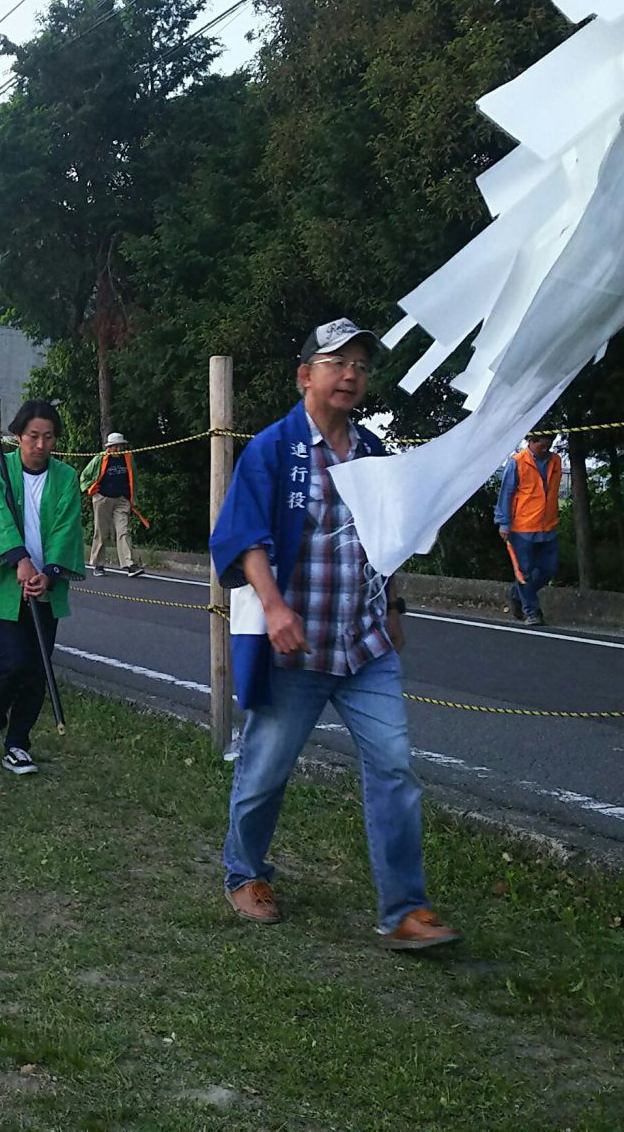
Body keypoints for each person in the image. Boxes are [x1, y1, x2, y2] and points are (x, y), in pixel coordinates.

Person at [207, 318, 458, 951]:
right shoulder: (273, 448)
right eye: (336, 362)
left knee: (395, 769)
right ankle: (245, 872)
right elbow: (243, 535)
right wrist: (274, 609)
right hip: (298, 645)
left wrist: (395, 603)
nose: (350, 374)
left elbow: (388, 538)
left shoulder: (373, 453)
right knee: (266, 769)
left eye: (361, 365)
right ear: (306, 375)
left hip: (365, 643)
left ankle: (404, 908)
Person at [0, 399, 84, 776]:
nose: (40, 445)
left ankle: (18, 743)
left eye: (48, 437)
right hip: (6, 581)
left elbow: (66, 529)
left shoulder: (65, 478)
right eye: (33, 436)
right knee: (13, 659)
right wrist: (20, 560)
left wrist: (47, 573)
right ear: (18, 436)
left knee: (38, 667)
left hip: (46, 583)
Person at [496, 431, 561, 627]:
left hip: (547, 525)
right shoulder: (516, 462)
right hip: (521, 526)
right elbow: (505, 494)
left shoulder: (555, 461)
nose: (545, 450)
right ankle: (532, 612)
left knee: (548, 569)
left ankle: (517, 593)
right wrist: (504, 523)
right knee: (523, 572)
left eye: (548, 446)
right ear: (531, 442)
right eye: (541, 446)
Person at [80, 432, 140, 575]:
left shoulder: (128, 458)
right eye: (116, 446)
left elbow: (134, 478)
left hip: (121, 499)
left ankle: (129, 564)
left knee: (123, 531)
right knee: (101, 532)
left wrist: (132, 498)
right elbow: (85, 476)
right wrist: (90, 488)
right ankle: (98, 565)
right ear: (110, 447)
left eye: (121, 445)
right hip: (103, 498)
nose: (119, 449)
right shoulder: (100, 458)